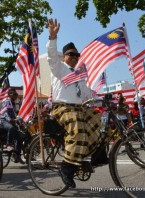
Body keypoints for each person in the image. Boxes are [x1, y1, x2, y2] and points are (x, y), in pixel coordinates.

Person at [47, 18, 106, 188]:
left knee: (98, 119)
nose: (74, 57)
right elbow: (51, 56)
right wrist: (52, 38)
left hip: (79, 107)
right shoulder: (59, 69)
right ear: (64, 56)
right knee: (78, 127)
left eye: (76, 54)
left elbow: (87, 93)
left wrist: (105, 100)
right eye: (70, 54)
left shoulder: (79, 75)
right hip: (62, 108)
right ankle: (67, 167)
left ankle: (90, 156)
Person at [0, 89, 25, 164]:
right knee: (11, 127)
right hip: (4, 121)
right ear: (10, 94)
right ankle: (8, 144)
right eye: (14, 94)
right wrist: (10, 120)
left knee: (20, 137)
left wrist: (20, 121)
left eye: (16, 94)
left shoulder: (13, 103)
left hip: (11, 122)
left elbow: (15, 115)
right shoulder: (7, 101)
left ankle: (18, 155)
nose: (15, 96)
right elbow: (5, 113)